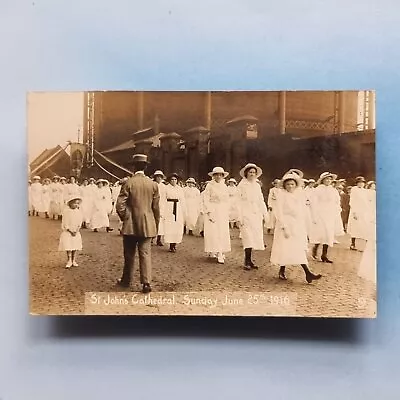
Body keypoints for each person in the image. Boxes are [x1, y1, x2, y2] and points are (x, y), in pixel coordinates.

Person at [116, 154, 160, 293]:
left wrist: (125, 217)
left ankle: (126, 280)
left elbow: (120, 205)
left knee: (129, 254)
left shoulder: (128, 183)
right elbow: (156, 208)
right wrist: (155, 224)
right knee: (145, 253)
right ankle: (146, 283)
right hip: (148, 224)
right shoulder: (153, 184)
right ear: (146, 167)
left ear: (133, 167)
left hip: (130, 225)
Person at [270, 170, 322, 283]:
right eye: (288, 184)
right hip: (285, 224)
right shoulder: (281, 195)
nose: (290, 186)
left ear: (295, 185)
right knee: (285, 248)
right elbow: (278, 212)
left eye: (292, 184)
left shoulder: (298, 196)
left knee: (297, 248)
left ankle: (308, 273)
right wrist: (284, 226)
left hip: (296, 224)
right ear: (284, 185)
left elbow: (302, 211)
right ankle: (283, 270)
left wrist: (304, 225)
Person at [236, 163, 268, 270]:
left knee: (254, 237)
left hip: (255, 213)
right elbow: (238, 202)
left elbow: (260, 200)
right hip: (245, 213)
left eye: (254, 172)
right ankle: (246, 261)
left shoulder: (257, 185)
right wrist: (239, 216)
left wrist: (264, 213)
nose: (252, 174)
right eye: (250, 172)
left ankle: (250, 260)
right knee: (247, 237)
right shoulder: (241, 185)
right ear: (246, 173)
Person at [309, 172, 341, 263]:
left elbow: (337, 201)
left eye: (330, 179)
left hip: (330, 214)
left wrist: (337, 210)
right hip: (320, 213)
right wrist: (314, 214)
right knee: (320, 233)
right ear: (322, 180)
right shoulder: (318, 189)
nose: (328, 181)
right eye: (326, 179)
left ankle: (324, 255)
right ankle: (315, 249)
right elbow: (313, 202)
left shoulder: (333, 190)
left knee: (328, 234)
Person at [203, 167, 231, 264]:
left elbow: (227, 200)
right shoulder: (209, 186)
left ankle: (220, 252)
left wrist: (228, 210)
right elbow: (206, 199)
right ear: (213, 176)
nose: (218, 176)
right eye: (216, 174)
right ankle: (213, 250)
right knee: (213, 231)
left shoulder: (224, 186)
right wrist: (209, 211)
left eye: (220, 174)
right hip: (213, 209)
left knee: (222, 231)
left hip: (222, 210)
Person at [58, 195, 83, 269]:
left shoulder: (78, 212)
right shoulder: (66, 212)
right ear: (70, 203)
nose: (76, 205)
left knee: (75, 246)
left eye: (77, 203)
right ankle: (69, 260)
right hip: (68, 231)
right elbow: (65, 222)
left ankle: (74, 260)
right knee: (68, 245)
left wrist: (77, 229)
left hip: (76, 231)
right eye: (74, 203)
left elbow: (79, 221)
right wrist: (70, 230)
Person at [163, 173, 186, 253]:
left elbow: (182, 199)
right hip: (169, 207)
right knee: (170, 225)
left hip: (178, 207)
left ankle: (175, 244)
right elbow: (163, 199)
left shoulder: (180, 189)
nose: (173, 181)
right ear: (169, 180)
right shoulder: (166, 188)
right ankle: (171, 245)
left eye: (175, 179)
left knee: (177, 226)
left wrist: (183, 210)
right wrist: (163, 210)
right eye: (172, 179)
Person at [347, 176, 369, 251]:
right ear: (357, 183)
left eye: (362, 182)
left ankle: (368, 245)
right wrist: (354, 212)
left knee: (365, 227)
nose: (361, 184)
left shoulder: (365, 191)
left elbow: (367, 202)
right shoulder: (354, 189)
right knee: (354, 227)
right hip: (355, 210)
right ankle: (352, 244)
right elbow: (352, 201)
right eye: (359, 182)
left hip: (363, 211)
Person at [152, 170, 167, 245]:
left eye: (160, 177)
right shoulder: (152, 184)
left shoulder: (164, 187)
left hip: (161, 204)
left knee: (161, 222)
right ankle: (151, 238)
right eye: (157, 177)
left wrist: (164, 206)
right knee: (152, 221)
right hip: (153, 204)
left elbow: (165, 197)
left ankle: (159, 239)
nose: (159, 178)